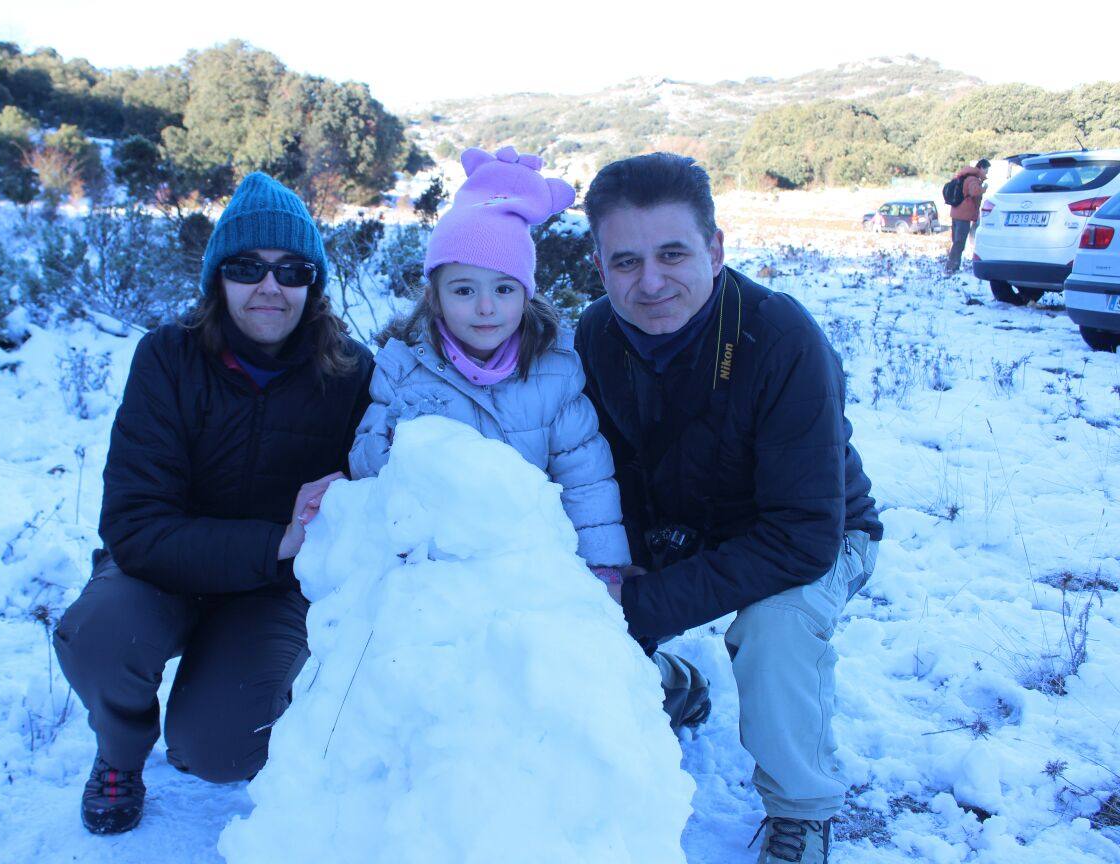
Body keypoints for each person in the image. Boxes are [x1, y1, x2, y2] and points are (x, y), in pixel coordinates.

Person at [574, 152, 883, 864]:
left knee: (775, 630)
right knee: (567, 597)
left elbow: (804, 535)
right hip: (675, 530)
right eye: (626, 262)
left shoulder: (781, 340)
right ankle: (671, 686)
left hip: (821, 534)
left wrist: (643, 602)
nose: (650, 283)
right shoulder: (591, 336)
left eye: (673, 253)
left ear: (716, 249)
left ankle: (801, 814)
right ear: (599, 264)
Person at [54, 172, 374, 835]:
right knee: (98, 635)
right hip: (162, 573)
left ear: (312, 284)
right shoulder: (167, 358)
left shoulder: (350, 373)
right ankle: (119, 755)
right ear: (216, 279)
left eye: (291, 270)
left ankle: (238, 689)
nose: (269, 286)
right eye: (245, 267)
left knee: (218, 752)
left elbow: (375, 495)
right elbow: (132, 524)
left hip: (271, 590)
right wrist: (275, 541)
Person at [351, 145, 710, 733]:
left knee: (559, 667)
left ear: (527, 294)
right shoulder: (402, 368)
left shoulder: (554, 371)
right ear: (435, 295)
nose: (486, 308)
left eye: (504, 289)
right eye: (463, 290)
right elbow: (367, 464)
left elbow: (585, 470)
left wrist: (603, 569)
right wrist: (394, 443)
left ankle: (659, 689)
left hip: (529, 557)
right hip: (436, 561)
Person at [945, 157, 990, 275]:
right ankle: (952, 266)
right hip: (963, 215)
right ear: (981, 168)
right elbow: (974, 191)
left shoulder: (965, 176)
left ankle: (952, 264)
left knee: (956, 241)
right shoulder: (972, 179)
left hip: (956, 213)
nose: (987, 173)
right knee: (959, 242)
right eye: (986, 170)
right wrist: (983, 189)